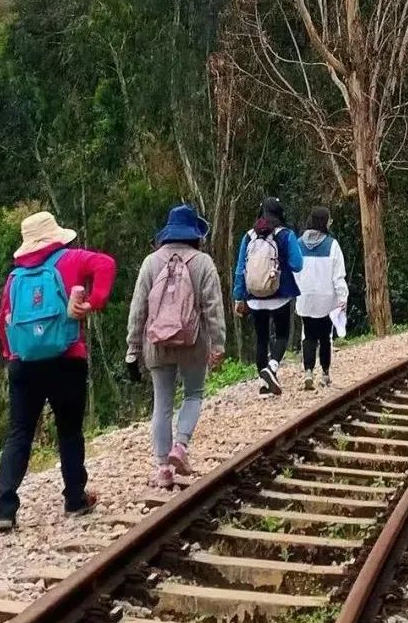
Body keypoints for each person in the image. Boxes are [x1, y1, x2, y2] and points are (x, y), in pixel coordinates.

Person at [0, 211, 116, 532]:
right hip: (67, 358)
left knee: (20, 432)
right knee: (69, 431)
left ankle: (5, 506)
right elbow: (106, 264)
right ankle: (75, 499)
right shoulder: (71, 258)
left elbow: (2, 319)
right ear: (55, 236)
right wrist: (95, 302)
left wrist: (12, 354)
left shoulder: (15, 278)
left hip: (24, 364)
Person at [125, 205, 226, 489]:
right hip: (193, 342)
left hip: (157, 344)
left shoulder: (150, 263)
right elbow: (213, 309)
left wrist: (132, 349)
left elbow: (138, 310)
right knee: (193, 394)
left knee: (162, 404)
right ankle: (180, 447)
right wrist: (217, 345)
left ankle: (163, 469)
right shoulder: (203, 262)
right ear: (195, 234)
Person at [232, 196, 304, 396]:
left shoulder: (249, 236)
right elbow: (298, 264)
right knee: (282, 334)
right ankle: (271, 368)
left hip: (254, 297)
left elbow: (240, 269)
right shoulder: (286, 234)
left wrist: (239, 297)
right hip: (280, 295)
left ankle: (263, 385)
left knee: (261, 339)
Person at [296, 206, 348, 390]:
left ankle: (308, 372)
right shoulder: (332, 245)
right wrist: (343, 298)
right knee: (325, 337)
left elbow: (294, 272)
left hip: (305, 299)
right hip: (327, 300)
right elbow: (338, 276)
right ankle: (325, 374)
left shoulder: (298, 244)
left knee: (308, 335)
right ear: (324, 222)